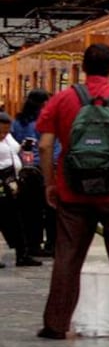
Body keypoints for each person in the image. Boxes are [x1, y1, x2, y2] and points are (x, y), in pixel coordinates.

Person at [35, 43, 109, 340]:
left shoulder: (63, 99)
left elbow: (46, 145)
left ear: (83, 68)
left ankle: (56, 324)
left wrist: (50, 182)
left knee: (67, 259)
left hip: (72, 193)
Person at [12, 89, 56, 257]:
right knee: (51, 209)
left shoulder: (18, 122)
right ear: (44, 104)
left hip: (25, 171)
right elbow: (52, 145)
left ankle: (33, 244)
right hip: (45, 168)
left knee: (30, 210)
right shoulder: (47, 121)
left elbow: (13, 144)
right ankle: (51, 244)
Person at [0, 112, 40, 268]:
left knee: (18, 219)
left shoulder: (8, 138)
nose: (3, 135)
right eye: (0, 132)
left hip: (14, 181)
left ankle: (22, 254)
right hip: (2, 182)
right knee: (6, 218)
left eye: (6, 131)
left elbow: (14, 149)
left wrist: (23, 146)